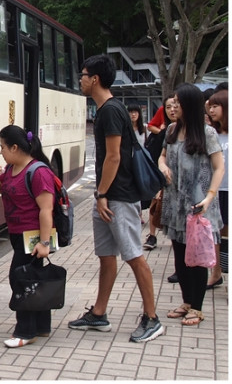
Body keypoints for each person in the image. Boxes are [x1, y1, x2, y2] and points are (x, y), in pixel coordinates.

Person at [68, 54, 163, 343]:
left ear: (94, 79)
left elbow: (112, 156)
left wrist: (101, 195)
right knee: (106, 257)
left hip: (117, 197)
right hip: (110, 197)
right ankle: (99, 313)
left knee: (134, 256)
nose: (80, 80)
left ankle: (152, 318)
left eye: (83, 75)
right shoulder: (109, 109)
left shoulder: (110, 111)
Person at [159, 83, 224, 325]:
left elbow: (219, 167)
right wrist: (162, 165)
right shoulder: (172, 130)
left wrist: (209, 196)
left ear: (190, 105)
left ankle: (197, 307)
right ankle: (187, 301)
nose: (173, 106)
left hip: (199, 205)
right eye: (173, 102)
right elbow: (162, 156)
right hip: (175, 204)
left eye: (178, 102)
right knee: (180, 256)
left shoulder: (207, 133)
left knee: (197, 257)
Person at [0, 125, 56, 348]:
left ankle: (25, 331)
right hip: (17, 235)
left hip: (34, 236)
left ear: (15, 147)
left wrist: (44, 243)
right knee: (33, 278)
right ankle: (42, 325)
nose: (1, 152)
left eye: (3, 147)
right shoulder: (10, 168)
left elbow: (46, 210)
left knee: (20, 279)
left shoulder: (38, 172)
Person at [143, 94, 177, 252]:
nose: (172, 109)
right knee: (155, 204)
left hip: (177, 177)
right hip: (160, 173)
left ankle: (176, 238)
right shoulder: (166, 131)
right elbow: (158, 154)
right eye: (168, 107)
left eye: (174, 106)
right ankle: (152, 235)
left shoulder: (187, 129)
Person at [204, 89, 228, 289]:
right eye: (209, 106)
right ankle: (217, 271)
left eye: (215, 106)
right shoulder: (212, 132)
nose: (211, 110)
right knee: (217, 233)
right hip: (216, 190)